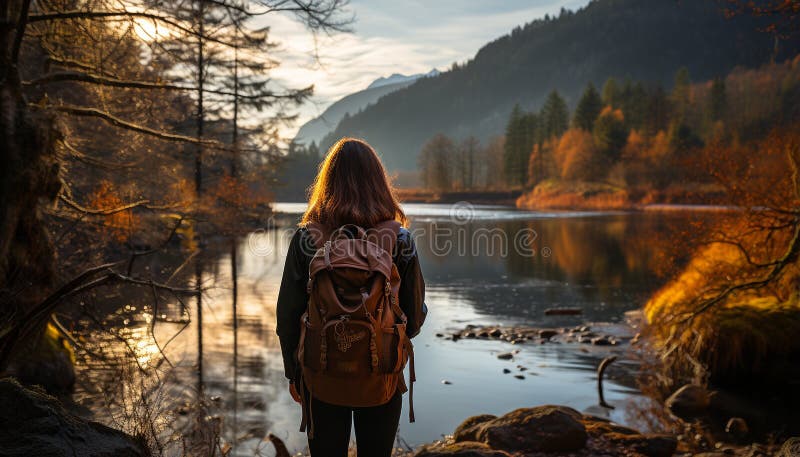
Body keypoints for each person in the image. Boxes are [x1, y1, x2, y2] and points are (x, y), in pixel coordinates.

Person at [276, 137, 427, 457]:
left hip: (320, 373)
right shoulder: (400, 240)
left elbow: (287, 315)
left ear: (326, 184)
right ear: (379, 182)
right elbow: (413, 319)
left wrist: (294, 372)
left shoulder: (307, 238)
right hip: (381, 375)